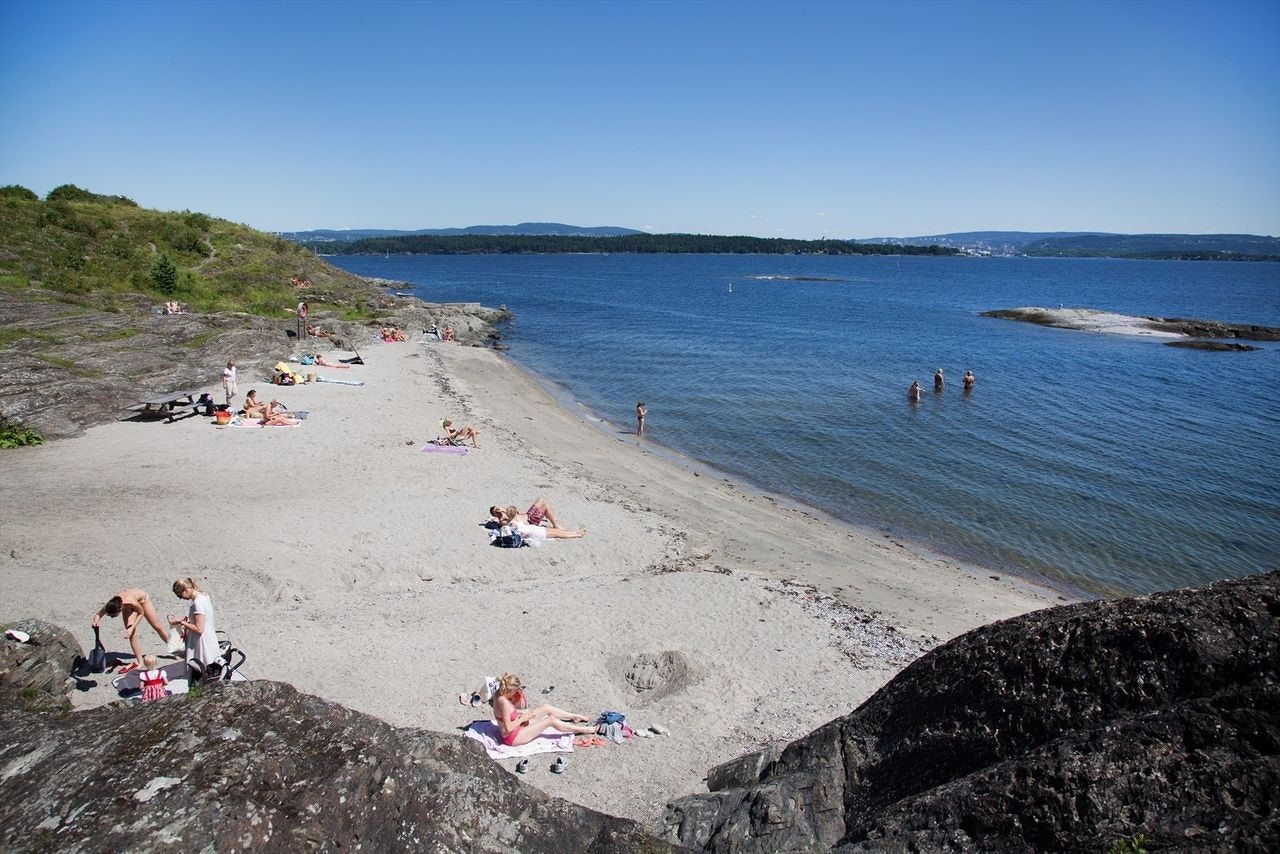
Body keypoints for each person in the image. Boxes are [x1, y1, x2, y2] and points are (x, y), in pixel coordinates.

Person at [492, 673, 599, 747]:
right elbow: (508, 728)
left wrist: (521, 712)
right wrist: (522, 718)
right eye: (515, 691)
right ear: (510, 690)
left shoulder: (499, 693)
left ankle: (574, 717)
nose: (516, 693)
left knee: (546, 707)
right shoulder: (504, 703)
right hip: (513, 737)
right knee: (550, 720)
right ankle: (584, 730)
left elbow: (505, 714)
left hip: (517, 727)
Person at [92, 588, 177, 674]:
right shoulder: (111, 605)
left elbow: (141, 613)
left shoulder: (130, 601)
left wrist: (132, 627)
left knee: (157, 626)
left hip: (143, 600)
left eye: (114, 615)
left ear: (120, 608)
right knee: (132, 635)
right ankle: (140, 662)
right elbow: (98, 614)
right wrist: (95, 622)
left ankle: (175, 650)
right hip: (127, 607)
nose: (112, 617)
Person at [169, 577, 219, 673]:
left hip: (202, 643)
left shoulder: (197, 603)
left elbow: (199, 628)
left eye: (180, 595)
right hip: (209, 638)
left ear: (185, 590)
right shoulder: (204, 596)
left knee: (202, 669)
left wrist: (180, 622)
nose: (181, 598)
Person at [490, 497, 560, 529]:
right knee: (545, 506)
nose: (497, 510)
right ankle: (555, 524)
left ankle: (547, 515)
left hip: (528, 515)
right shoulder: (502, 520)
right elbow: (511, 522)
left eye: (497, 508)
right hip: (530, 521)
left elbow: (518, 514)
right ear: (494, 515)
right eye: (495, 511)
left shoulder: (506, 510)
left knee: (541, 500)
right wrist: (503, 512)